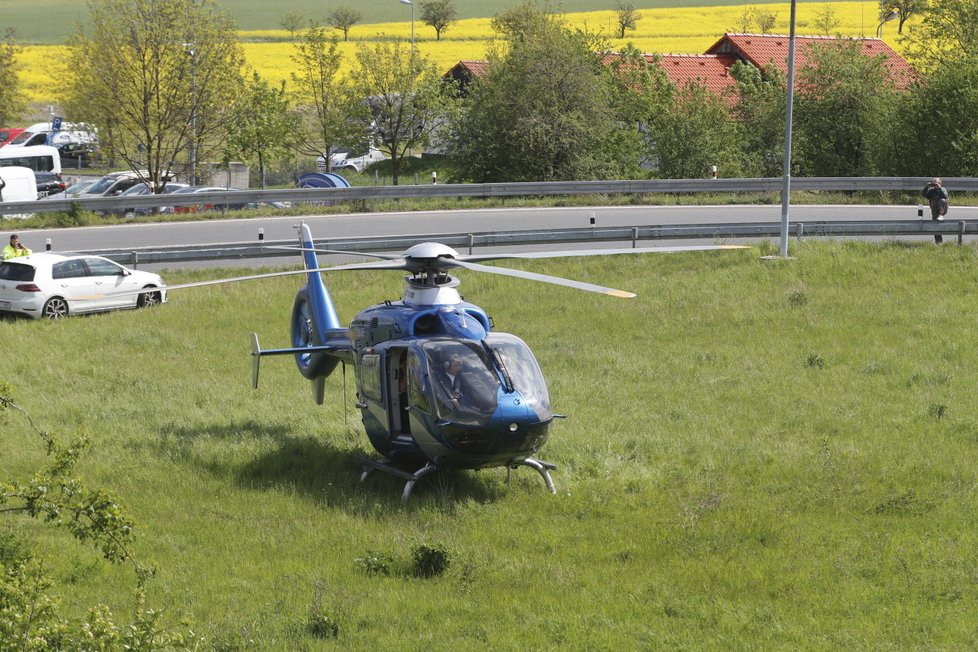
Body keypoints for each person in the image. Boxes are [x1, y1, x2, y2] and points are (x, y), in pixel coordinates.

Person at [922, 177, 949, 244]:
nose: (935, 185)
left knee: (942, 200)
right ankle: (938, 242)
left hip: (942, 208)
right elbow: (924, 195)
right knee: (935, 225)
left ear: (940, 183)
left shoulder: (943, 189)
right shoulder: (931, 190)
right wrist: (927, 187)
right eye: (934, 184)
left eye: (937, 183)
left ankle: (940, 214)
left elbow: (945, 197)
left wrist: (939, 188)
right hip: (934, 209)